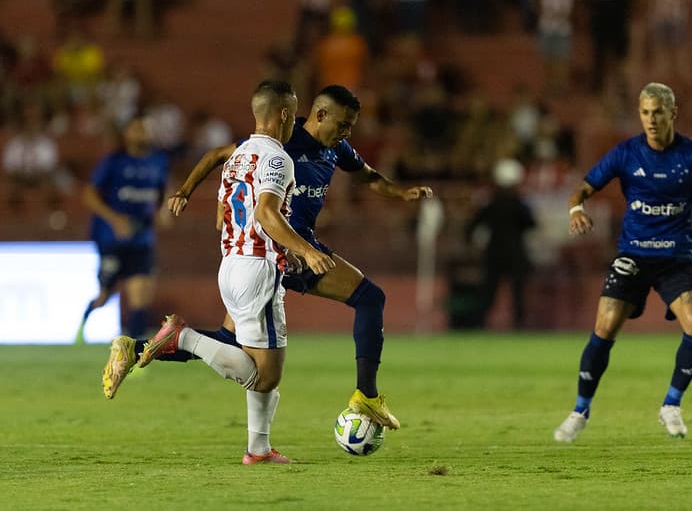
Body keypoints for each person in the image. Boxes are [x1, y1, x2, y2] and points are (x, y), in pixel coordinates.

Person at [103, 84, 433, 431]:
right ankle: (366, 395)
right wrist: (191, 193)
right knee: (369, 298)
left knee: (227, 342)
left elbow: (368, 177)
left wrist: (400, 192)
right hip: (284, 250)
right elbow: (222, 157)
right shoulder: (281, 146)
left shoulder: (337, 149)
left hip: (267, 252)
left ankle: (136, 348)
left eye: (351, 125)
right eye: (343, 124)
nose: (347, 132)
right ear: (319, 115)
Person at [139, 80, 335, 465]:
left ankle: (258, 451)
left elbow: (230, 216)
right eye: (292, 114)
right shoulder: (278, 159)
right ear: (282, 115)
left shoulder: (238, 156)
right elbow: (265, 213)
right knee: (265, 376)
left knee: (259, 363)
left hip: (231, 263)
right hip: (257, 269)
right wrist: (306, 251)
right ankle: (184, 338)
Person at [553, 82, 692, 442]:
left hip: (677, 257)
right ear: (640, 114)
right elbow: (582, 189)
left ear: (672, 113)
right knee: (604, 328)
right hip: (633, 255)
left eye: (658, 112)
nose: (651, 119)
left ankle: (671, 404)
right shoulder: (624, 154)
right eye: (645, 112)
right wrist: (576, 209)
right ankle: (580, 410)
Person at [78, 114, 170, 341]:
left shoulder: (158, 161)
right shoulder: (114, 161)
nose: (142, 134)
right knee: (104, 295)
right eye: (137, 129)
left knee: (141, 295)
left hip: (142, 238)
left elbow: (166, 187)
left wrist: (164, 211)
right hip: (111, 239)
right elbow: (89, 195)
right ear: (126, 134)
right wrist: (115, 219)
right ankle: (82, 326)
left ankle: (134, 351)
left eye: (145, 129)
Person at [466, 158, 537, 329]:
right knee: (518, 292)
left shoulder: (491, 202)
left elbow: (473, 225)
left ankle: (479, 324)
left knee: (488, 291)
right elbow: (531, 223)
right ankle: (519, 325)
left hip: (494, 252)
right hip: (515, 252)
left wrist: (473, 241)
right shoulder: (519, 203)